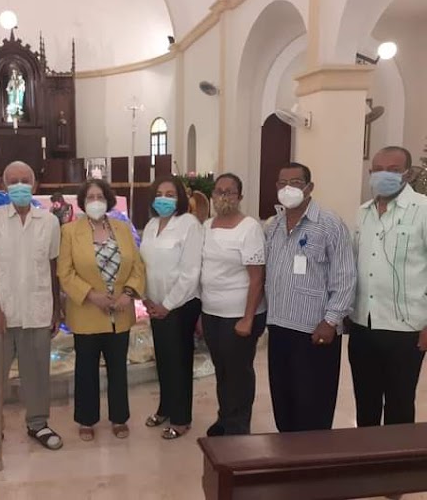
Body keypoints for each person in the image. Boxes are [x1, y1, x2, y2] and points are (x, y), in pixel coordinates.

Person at [0, 161, 63, 459]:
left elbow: (53, 266)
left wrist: (56, 309)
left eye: (25, 180)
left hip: (38, 309)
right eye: (13, 181)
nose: (20, 186)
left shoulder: (49, 222)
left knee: (37, 373)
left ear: (35, 185)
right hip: (3, 312)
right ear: (3, 186)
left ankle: (38, 423)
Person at [265, 162, 356, 432]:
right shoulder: (274, 225)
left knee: (314, 403)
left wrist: (331, 321)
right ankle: (288, 450)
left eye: (295, 182)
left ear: (309, 187)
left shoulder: (329, 224)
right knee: (284, 399)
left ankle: (314, 454)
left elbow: (345, 276)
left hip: (315, 331)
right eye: (282, 183)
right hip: (280, 326)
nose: (287, 188)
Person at [57, 179, 145, 441]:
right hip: (87, 312)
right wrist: (91, 295)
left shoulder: (122, 228)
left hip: (120, 311)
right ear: (82, 202)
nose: (95, 201)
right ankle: (86, 419)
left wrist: (128, 294)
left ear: (108, 200)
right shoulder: (70, 231)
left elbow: (137, 266)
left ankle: (119, 417)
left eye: (100, 197)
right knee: (86, 369)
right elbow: (65, 272)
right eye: (90, 197)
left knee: (118, 368)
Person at [349, 146, 427, 427]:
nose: (384, 176)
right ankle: (367, 453)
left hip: (405, 328)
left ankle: (398, 455)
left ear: (407, 174)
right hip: (363, 324)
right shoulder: (363, 212)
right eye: (378, 170)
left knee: (399, 404)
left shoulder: (422, 209)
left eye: (393, 171)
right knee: (365, 402)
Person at [201, 173, 267, 436]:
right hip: (212, 312)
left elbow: (257, 277)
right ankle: (225, 417)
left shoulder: (249, 228)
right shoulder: (207, 226)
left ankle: (238, 426)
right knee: (222, 370)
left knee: (238, 372)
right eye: (219, 191)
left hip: (240, 314)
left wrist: (248, 318)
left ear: (240, 196)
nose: (223, 196)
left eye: (229, 191)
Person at [140, 175, 202, 439]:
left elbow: (191, 272)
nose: (163, 199)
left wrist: (167, 304)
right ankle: (165, 407)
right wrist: (146, 298)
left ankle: (181, 418)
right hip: (155, 304)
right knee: (163, 360)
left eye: (170, 194)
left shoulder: (188, 224)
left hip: (180, 305)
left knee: (179, 361)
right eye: (159, 194)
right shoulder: (151, 225)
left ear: (179, 198)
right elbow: (144, 265)